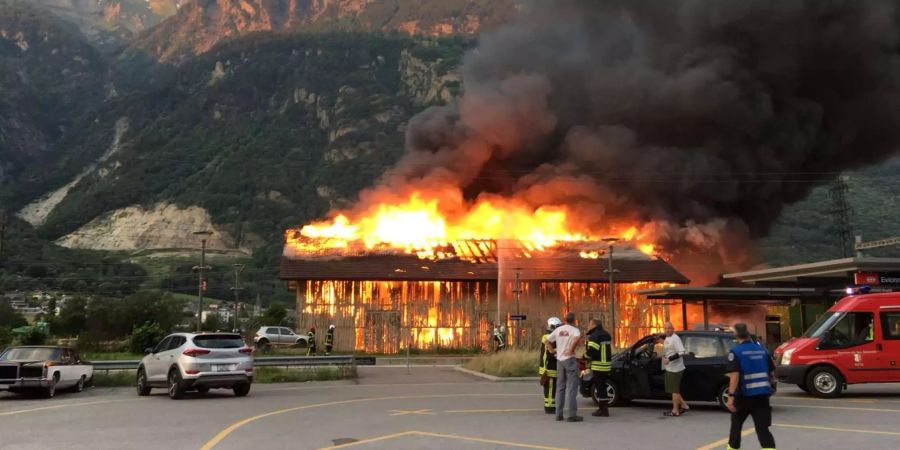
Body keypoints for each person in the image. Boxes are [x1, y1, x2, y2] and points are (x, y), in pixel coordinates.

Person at [726, 322, 776, 450]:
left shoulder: (736, 352)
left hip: (744, 397)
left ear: (736, 335)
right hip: (762, 396)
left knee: (736, 427)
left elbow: (735, 375)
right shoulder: (762, 351)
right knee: (763, 429)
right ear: (747, 334)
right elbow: (771, 372)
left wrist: (731, 396)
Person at [546, 312, 582, 422]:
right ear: (574, 320)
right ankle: (572, 415)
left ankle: (559, 414)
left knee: (560, 388)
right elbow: (576, 339)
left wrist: (553, 353)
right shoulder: (575, 330)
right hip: (569, 359)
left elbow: (547, 341)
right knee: (572, 387)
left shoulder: (558, 330)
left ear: (565, 320)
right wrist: (570, 350)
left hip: (559, 360)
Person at [585, 318, 612, 417]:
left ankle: (603, 410)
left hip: (598, 365)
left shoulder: (594, 336)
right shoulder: (606, 334)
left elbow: (592, 352)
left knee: (600, 388)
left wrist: (585, 356)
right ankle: (604, 408)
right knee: (603, 387)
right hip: (607, 365)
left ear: (593, 325)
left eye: (589, 325)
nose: (588, 327)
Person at [662, 321, 689, 416]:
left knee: (674, 391)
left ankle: (675, 410)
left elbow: (682, 351)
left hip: (676, 369)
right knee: (673, 389)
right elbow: (669, 348)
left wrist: (669, 359)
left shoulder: (675, 338)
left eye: (669, 328)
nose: (667, 330)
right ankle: (684, 405)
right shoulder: (668, 338)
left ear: (673, 328)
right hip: (670, 368)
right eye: (665, 328)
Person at [540, 317, 562, 414]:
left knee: (551, 387)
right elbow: (552, 351)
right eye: (558, 326)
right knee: (550, 388)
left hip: (549, 366)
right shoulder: (548, 337)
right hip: (549, 367)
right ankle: (549, 407)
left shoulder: (549, 336)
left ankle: (550, 405)